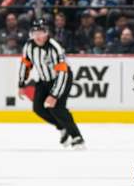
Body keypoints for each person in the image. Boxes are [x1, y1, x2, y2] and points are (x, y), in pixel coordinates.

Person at [18, 19, 85, 149]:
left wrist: (54, 95)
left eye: (41, 32)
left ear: (46, 33)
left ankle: (77, 137)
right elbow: (26, 65)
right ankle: (62, 127)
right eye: (34, 33)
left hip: (62, 79)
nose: (38, 36)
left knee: (57, 108)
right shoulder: (29, 46)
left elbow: (63, 73)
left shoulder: (54, 47)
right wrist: (21, 84)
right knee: (38, 108)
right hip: (44, 80)